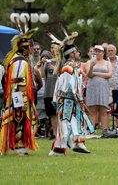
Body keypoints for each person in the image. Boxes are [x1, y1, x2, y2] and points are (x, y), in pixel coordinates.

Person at [47, 30, 94, 156]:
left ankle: (78, 143)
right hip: (67, 100)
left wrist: (79, 99)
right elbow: (71, 87)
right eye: (76, 51)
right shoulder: (68, 68)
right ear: (72, 54)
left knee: (76, 121)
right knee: (65, 123)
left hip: (73, 100)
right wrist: (80, 100)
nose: (79, 53)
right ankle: (58, 149)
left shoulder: (74, 67)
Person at [0, 21, 39, 155]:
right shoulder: (20, 62)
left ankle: (19, 144)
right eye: (30, 48)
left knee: (19, 118)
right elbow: (18, 81)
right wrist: (22, 100)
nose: (31, 50)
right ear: (25, 49)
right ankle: (18, 145)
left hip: (15, 95)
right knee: (19, 118)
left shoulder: (16, 60)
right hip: (18, 96)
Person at [86, 45, 113, 136]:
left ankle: (105, 131)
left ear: (103, 53)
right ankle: (91, 130)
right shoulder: (90, 62)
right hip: (92, 87)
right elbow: (89, 75)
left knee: (103, 110)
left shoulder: (107, 62)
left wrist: (95, 73)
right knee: (92, 110)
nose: (97, 53)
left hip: (103, 87)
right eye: (96, 51)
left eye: (99, 51)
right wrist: (91, 67)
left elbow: (109, 74)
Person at [42, 42, 61, 139]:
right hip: (48, 91)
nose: (52, 49)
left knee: (58, 113)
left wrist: (55, 68)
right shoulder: (48, 61)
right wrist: (42, 64)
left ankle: (60, 133)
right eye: (51, 47)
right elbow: (43, 76)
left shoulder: (62, 61)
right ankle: (54, 133)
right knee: (52, 114)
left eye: (54, 47)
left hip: (58, 91)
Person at [107, 44, 118, 115]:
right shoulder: (105, 61)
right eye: (108, 51)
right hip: (108, 89)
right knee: (107, 110)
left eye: (112, 50)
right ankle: (107, 126)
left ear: (115, 51)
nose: (110, 52)